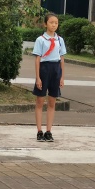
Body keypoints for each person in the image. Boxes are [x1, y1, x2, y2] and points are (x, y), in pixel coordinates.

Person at [32, 13, 66, 142]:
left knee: (52, 102)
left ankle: (49, 131)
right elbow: (37, 59)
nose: (54, 25)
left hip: (56, 70)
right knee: (40, 101)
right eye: (51, 22)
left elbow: (62, 59)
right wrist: (38, 77)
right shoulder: (40, 40)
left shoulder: (60, 40)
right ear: (45, 24)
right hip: (44, 69)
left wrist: (62, 77)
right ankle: (39, 131)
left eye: (56, 23)